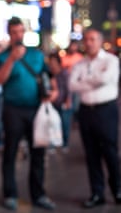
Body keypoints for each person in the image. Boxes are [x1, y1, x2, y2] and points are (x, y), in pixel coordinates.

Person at [0, 16, 57, 211]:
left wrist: (53, 91)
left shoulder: (36, 55)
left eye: (20, 31)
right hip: (13, 110)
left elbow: (48, 76)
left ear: (24, 32)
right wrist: (12, 59)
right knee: (10, 153)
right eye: (14, 32)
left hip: (35, 109)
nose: (18, 35)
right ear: (9, 34)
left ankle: (39, 194)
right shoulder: (2, 57)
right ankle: (10, 194)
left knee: (38, 153)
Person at [68, 28, 121, 208]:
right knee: (91, 155)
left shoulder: (111, 60)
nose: (88, 43)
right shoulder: (80, 64)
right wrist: (93, 80)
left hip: (106, 111)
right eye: (86, 39)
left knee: (110, 153)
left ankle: (118, 190)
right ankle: (96, 193)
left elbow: (106, 79)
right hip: (86, 111)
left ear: (99, 41)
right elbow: (72, 85)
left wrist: (86, 80)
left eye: (92, 39)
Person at [48, 52, 73, 153]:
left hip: (63, 103)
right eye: (50, 62)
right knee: (52, 124)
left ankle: (65, 143)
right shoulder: (49, 74)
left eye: (54, 62)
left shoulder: (64, 73)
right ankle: (53, 144)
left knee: (65, 124)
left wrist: (68, 100)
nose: (52, 65)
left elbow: (69, 88)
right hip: (52, 103)